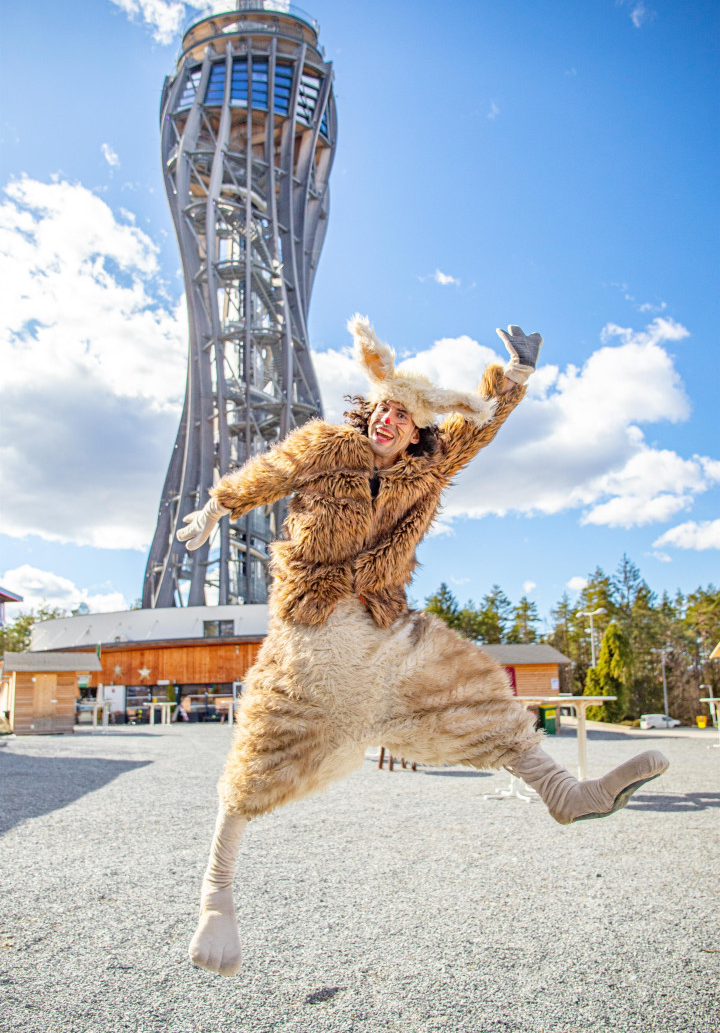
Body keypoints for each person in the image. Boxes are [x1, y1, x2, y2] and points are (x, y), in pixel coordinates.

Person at [177, 317, 668, 976]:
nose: (388, 420)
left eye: (402, 416)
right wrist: (218, 506)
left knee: (473, 688)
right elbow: (272, 471)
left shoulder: (426, 473)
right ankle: (217, 894)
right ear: (370, 414)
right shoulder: (326, 447)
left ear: (416, 432)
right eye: (383, 409)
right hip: (315, 622)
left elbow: (479, 426)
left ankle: (565, 794)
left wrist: (515, 374)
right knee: (264, 754)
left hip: (384, 622)